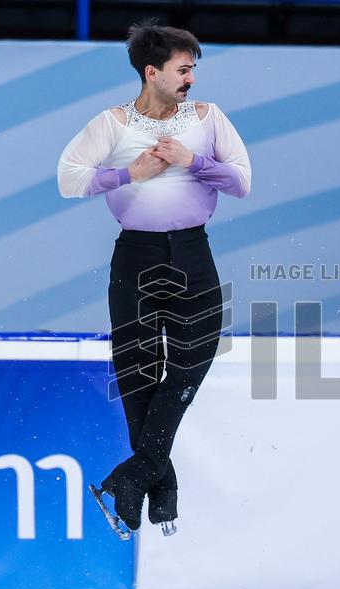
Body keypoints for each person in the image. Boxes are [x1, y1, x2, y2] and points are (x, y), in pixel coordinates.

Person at [57, 21, 251, 535]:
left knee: (191, 364)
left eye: (193, 69)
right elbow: (69, 178)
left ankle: (135, 475)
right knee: (138, 374)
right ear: (152, 72)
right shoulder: (113, 124)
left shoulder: (208, 119)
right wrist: (129, 174)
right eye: (182, 69)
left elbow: (242, 182)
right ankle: (160, 486)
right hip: (136, 259)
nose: (191, 78)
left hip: (193, 255)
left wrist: (194, 161)